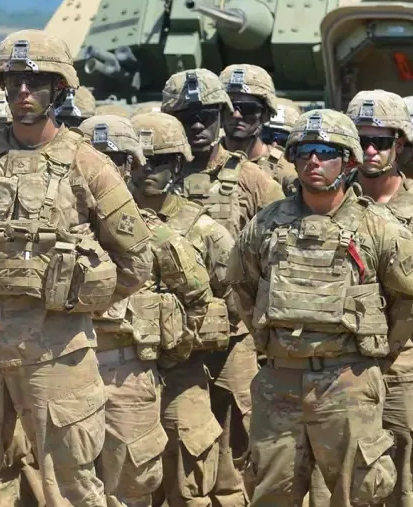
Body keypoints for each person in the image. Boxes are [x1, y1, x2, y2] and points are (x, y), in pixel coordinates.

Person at [0, 30, 153, 506]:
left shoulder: (88, 165)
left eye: (36, 82)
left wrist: (77, 296)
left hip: (56, 352)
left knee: (72, 490)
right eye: (14, 82)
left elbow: (137, 261)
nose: (23, 91)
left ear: (58, 89)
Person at [229, 108, 413, 506]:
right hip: (280, 382)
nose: (313, 161)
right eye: (304, 152)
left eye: (326, 152)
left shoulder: (379, 228)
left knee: (358, 494)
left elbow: (407, 301)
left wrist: (374, 357)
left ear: (349, 160)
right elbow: (243, 287)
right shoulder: (266, 225)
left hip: (348, 380)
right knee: (270, 493)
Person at [81, 113, 224, 506]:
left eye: (116, 159)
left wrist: (166, 350)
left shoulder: (152, 233)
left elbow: (200, 298)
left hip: (129, 373)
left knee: (133, 484)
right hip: (63, 373)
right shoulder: (59, 232)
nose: (103, 167)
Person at [161, 68, 286, 505]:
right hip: (170, 343)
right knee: (176, 451)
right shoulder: (155, 175)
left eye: (207, 116)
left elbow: (280, 259)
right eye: (186, 117)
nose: (197, 125)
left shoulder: (253, 181)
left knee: (241, 449)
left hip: (234, 340)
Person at [347, 90, 413, 507]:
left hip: (406, 363)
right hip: (343, 366)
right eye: (362, 141)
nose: (370, 151)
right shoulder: (329, 204)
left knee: (412, 479)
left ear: (400, 144)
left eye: (381, 141)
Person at [131, 111, 238, 507]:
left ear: (177, 164)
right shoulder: (105, 222)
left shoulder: (203, 228)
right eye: (139, 161)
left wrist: (190, 333)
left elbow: (234, 293)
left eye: (158, 161)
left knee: (189, 480)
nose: (147, 170)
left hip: (182, 372)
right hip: (121, 372)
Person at [219, 64, 298, 193]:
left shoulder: (285, 171)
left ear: (266, 114)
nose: (237, 115)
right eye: (230, 107)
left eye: (248, 108)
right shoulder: (204, 161)